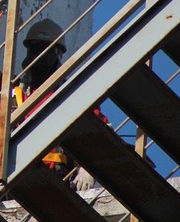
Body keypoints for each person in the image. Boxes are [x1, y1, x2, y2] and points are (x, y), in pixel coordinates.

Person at [14, 18, 109, 191]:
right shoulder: (14, 92)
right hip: (18, 178)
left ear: (59, 54)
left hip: (58, 179)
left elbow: (100, 131)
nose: (40, 55)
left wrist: (89, 168)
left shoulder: (72, 95)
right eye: (35, 49)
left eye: (46, 50)